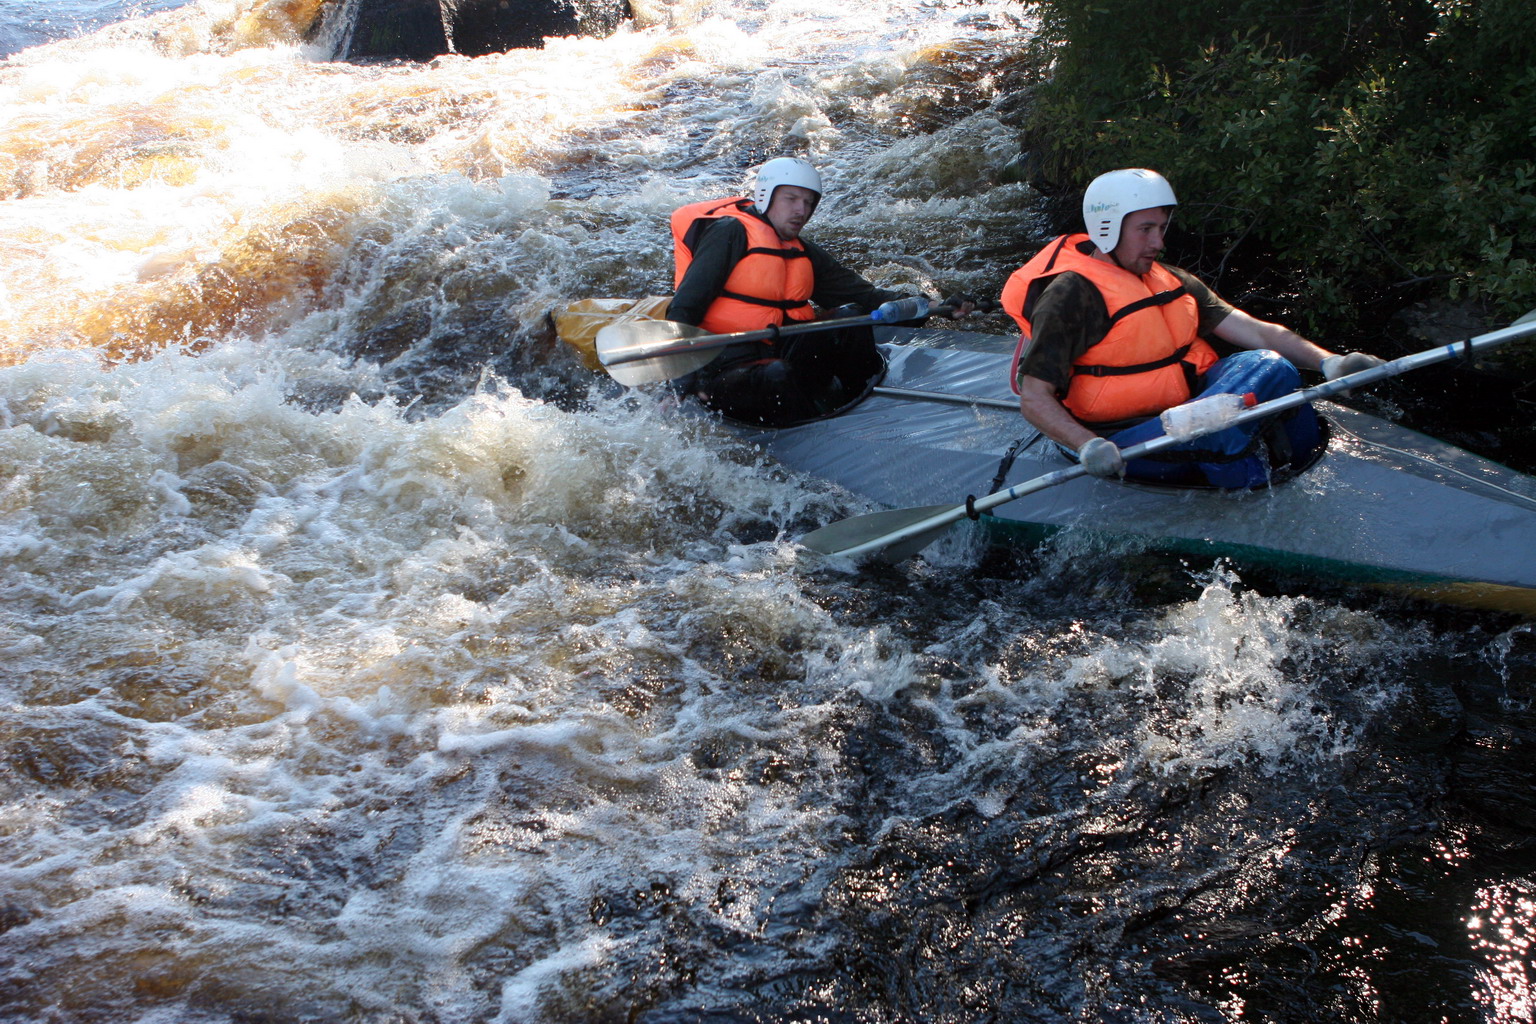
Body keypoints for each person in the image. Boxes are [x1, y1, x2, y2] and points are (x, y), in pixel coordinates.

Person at [1001, 168, 1383, 487]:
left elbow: (1255, 331)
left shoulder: (1166, 278)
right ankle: (1249, 492)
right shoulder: (1071, 295)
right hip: (1124, 441)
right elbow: (1034, 398)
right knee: (1215, 427)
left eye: (1161, 228)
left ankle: (1301, 463)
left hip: (1187, 412)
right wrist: (1087, 446)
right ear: (1107, 227)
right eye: (1145, 229)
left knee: (1272, 365)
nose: (1158, 242)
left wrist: (1329, 362)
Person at [667, 157, 974, 426]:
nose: (801, 210)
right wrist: (680, 381)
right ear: (765, 196)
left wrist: (934, 306)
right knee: (776, 374)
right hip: (723, 370)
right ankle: (810, 433)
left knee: (850, 317)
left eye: (808, 202)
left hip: (780, 353)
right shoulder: (729, 232)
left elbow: (865, 297)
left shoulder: (802, 251)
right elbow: (684, 308)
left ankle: (861, 406)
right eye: (791, 199)